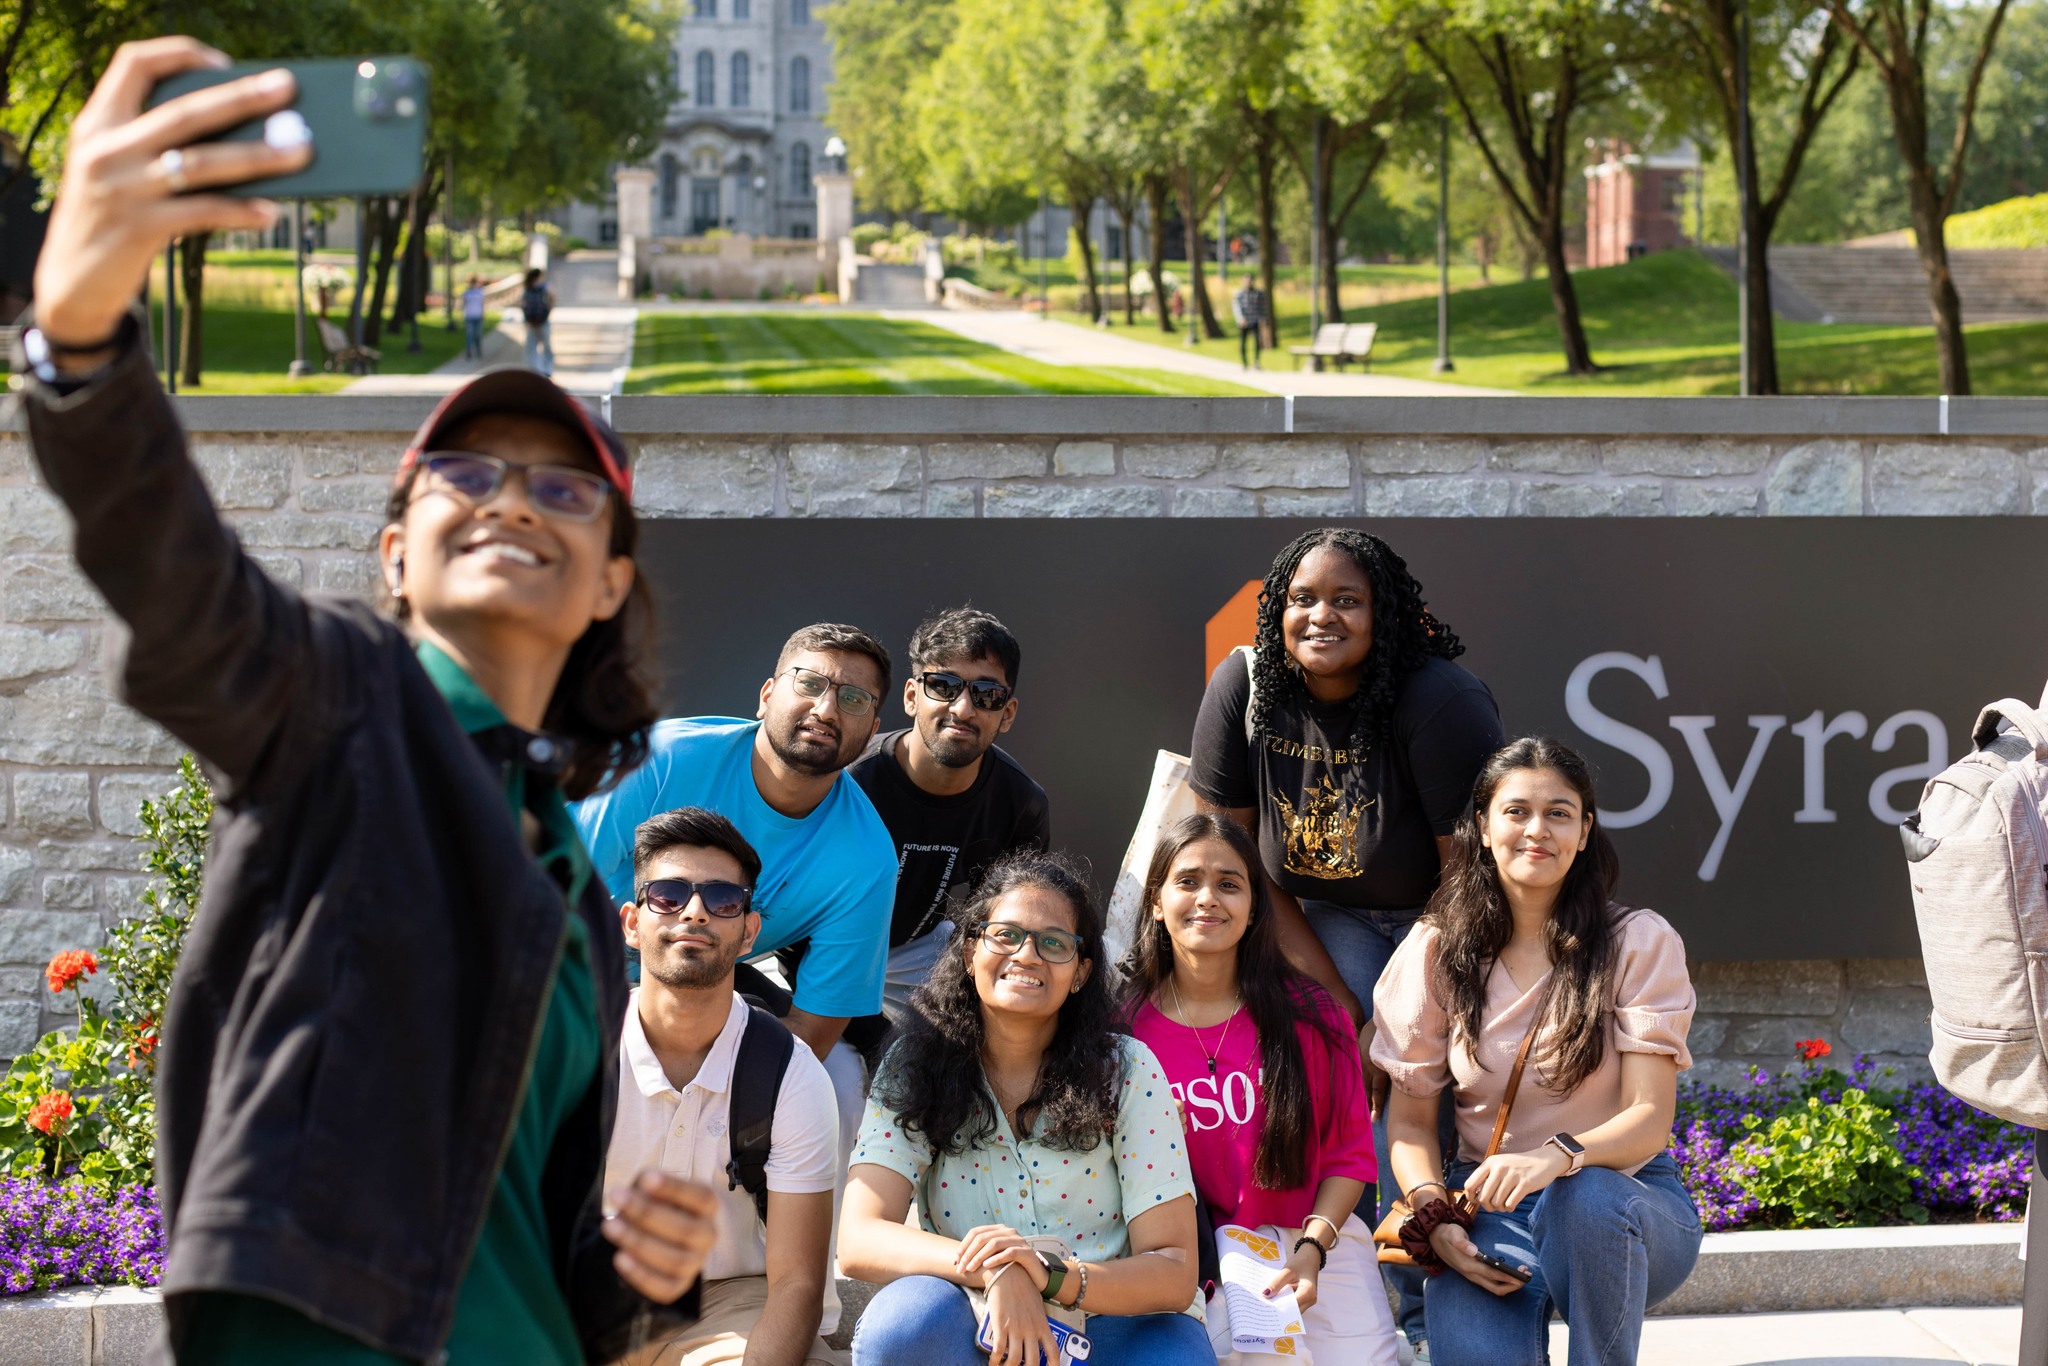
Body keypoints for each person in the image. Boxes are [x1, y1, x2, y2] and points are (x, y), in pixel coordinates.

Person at [18, 38, 718, 1362]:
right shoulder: (337, 701)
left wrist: (643, 1262)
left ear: (612, 580)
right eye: (468, 471)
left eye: (566, 486)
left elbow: (536, 1220)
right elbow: (175, 575)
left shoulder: (577, 875)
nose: (514, 495)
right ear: (394, 551)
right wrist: (80, 345)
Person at [1188, 525, 1503, 1354]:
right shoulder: (1248, 685)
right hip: (1312, 912)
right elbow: (1231, 853)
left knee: (1408, 1068)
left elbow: (1467, 877)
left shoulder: (1438, 700)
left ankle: (1430, 1300)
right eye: (1301, 599)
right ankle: (1321, 1293)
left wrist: (1390, 1013)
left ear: (1385, 613)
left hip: (1442, 913)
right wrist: (1335, 1004)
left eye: (1346, 600)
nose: (1320, 615)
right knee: (1321, 1058)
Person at [1372, 737, 1701, 1366]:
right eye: (1516, 810)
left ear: (1584, 832)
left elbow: (1649, 1119)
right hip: (1490, 1208)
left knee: (1586, 1201)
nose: (1537, 829)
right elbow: (1410, 1124)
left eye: (1559, 812)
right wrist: (1436, 1217)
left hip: (1626, 1203)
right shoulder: (1437, 951)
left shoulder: (1636, 942)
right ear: (1483, 827)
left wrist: (1557, 1159)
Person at [839, 852, 1213, 1366]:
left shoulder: (1126, 1069)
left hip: (1108, 1322)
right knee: (903, 1329)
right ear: (971, 952)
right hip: (973, 1317)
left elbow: (1172, 1268)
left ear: (1080, 973)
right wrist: (999, 1269)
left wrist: (1048, 1276)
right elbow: (860, 1238)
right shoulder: (914, 1063)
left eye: (1053, 943)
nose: (1027, 955)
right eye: (1006, 935)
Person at [573, 623, 898, 1152]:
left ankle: (809, 1235)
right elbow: (545, 888)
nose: (827, 709)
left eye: (854, 698)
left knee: (837, 1081)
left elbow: (814, 1028)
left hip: (700, 988)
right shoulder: (662, 758)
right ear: (768, 694)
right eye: (810, 683)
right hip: (568, 965)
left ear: (873, 727)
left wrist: (712, 1089)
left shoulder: (865, 860)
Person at [1122, 813, 1400, 1366]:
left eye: (1229, 884)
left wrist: (1312, 1249)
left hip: (1318, 1243)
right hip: (1195, 1262)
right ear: (1155, 901)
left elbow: (1349, 1156)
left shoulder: (1313, 1014)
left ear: (1252, 909)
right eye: (1187, 881)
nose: (1208, 899)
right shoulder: (1121, 1032)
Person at [609, 808, 847, 1366]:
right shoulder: (572, 1050)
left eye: (722, 899)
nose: (694, 912)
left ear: (748, 932)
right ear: (631, 922)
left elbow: (796, 1285)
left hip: (727, 1307)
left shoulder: (789, 1072)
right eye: (667, 895)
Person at [846, 608, 1049, 1058]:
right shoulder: (849, 781)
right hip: (827, 948)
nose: (963, 708)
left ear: (1008, 712)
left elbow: (1007, 932)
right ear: (912, 696)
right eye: (943, 685)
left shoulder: (1021, 803)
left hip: (923, 951)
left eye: (986, 694)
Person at [523, 265, 556, 376]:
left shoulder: (527, 287)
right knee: (546, 346)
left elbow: (522, 303)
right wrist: (547, 312)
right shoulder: (545, 286)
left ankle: (534, 369)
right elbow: (552, 299)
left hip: (531, 321)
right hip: (542, 320)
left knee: (531, 346)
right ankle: (547, 369)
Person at [1230, 281, 1267, 369]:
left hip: (1254, 320)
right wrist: (1240, 319)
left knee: (1257, 342)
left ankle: (1256, 361)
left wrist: (1263, 318)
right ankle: (1244, 362)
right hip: (1243, 322)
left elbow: (1262, 307)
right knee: (1243, 343)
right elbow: (1236, 307)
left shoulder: (1258, 294)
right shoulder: (1240, 294)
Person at [462, 274, 488, 360]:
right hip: (469, 316)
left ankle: (478, 351)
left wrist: (483, 313)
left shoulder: (480, 292)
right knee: (469, 335)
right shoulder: (467, 292)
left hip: (478, 315)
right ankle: (469, 351)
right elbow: (464, 304)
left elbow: (482, 304)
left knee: (477, 335)